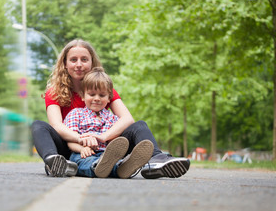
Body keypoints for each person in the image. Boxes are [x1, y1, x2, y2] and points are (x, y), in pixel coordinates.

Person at [31, 39, 190, 178]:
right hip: (71, 147)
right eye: (73, 60)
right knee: (38, 126)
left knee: (139, 126)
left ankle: (156, 161)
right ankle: (54, 161)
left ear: (92, 62)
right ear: (65, 64)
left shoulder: (103, 89)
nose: (79, 64)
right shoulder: (54, 92)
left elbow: (127, 119)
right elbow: (57, 125)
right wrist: (81, 139)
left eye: (84, 59)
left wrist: (103, 137)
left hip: (106, 147)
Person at [64, 67, 154, 178]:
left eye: (102, 95)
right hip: (83, 153)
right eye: (92, 94)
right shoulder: (76, 114)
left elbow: (116, 141)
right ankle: (100, 167)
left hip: (107, 155)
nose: (97, 98)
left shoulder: (112, 118)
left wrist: (110, 140)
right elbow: (70, 141)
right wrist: (82, 148)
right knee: (82, 162)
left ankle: (122, 167)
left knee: (112, 162)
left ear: (109, 98)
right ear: (83, 96)